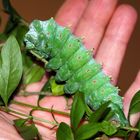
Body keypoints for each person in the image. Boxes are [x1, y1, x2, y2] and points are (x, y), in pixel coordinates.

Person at [0, 0, 139, 139]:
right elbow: (64, 77)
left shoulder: (61, 49)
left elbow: (62, 77)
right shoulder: (62, 49)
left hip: (102, 94)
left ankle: (117, 120)